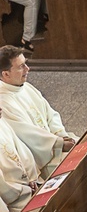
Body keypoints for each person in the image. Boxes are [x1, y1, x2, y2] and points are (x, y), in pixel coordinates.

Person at [0, 46, 77, 178]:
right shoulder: (4, 102)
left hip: (55, 141)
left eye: (26, 64)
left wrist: (61, 135)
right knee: (76, 167)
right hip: (42, 157)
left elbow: (50, 115)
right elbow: (27, 136)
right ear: (6, 74)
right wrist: (59, 144)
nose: (27, 69)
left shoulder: (25, 87)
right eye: (21, 67)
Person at [0, 108, 39, 212]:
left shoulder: (2, 123)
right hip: (15, 201)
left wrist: (31, 177)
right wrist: (23, 190)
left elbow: (22, 150)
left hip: (29, 187)